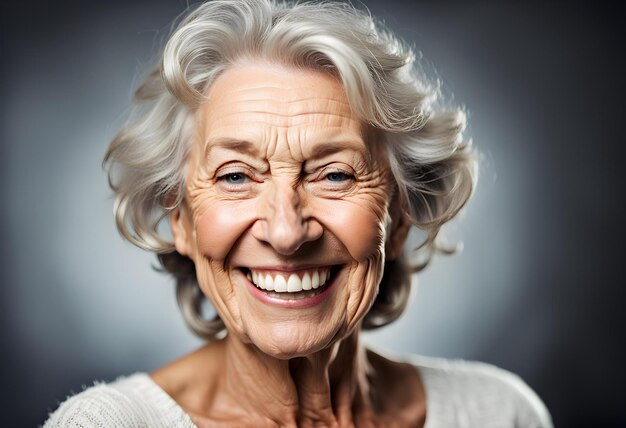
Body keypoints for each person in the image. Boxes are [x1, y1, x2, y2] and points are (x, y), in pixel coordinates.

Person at [45, 0, 552, 426]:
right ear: (181, 220)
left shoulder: (499, 413)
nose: (286, 233)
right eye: (236, 175)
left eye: (334, 175)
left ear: (398, 218)